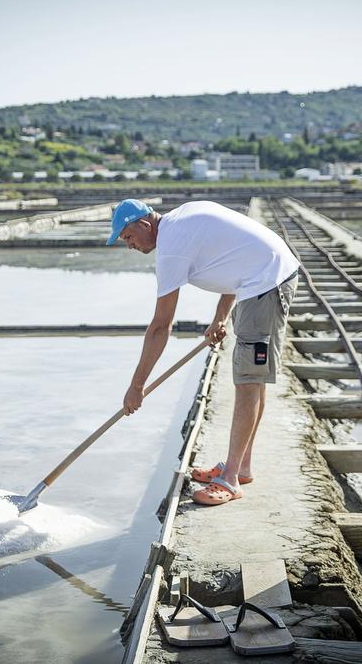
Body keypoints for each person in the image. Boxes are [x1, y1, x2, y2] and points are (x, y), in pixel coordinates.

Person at [106, 198, 300, 506]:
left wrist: (136, 386)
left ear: (144, 224)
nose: (129, 245)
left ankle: (231, 479)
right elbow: (234, 260)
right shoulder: (182, 219)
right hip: (264, 275)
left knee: (248, 379)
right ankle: (243, 466)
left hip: (267, 281)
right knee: (253, 376)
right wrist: (220, 318)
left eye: (128, 237)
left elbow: (160, 327)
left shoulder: (171, 247)